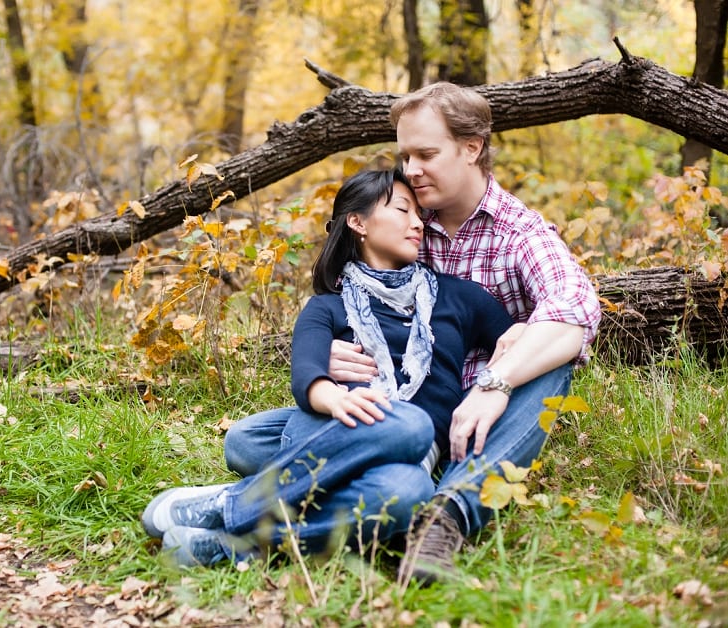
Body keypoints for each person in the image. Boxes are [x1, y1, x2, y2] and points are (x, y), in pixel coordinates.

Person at [223, 82, 602, 582]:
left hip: (485, 418)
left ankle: (446, 514)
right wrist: (331, 357)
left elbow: (576, 307)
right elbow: (344, 298)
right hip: (394, 411)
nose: (412, 169)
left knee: (555, 358)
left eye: (426, 153)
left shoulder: (519, 233)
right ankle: (378, 487)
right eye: (406, 156)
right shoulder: (402, 220)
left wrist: (497, 381)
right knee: (247, 442)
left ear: (472, 148)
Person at [142, 168, 572, 570]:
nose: (418, 222)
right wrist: (338, 398)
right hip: (339, 426)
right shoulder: (327, 306)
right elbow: (306, 375)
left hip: (414, 457)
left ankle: (234, 538)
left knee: (409, 494)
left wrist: (521, 330)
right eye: (402, 210)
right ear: (358, 223)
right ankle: (241, 504)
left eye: (419, 214)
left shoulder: (460, 297)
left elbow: (517, 340)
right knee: (400, 426)